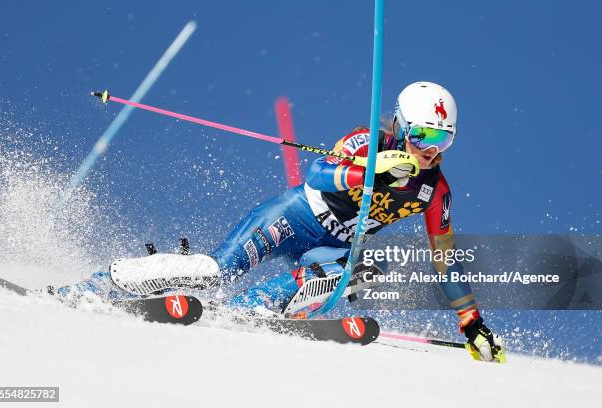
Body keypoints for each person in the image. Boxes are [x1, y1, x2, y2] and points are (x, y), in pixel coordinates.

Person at [64, 81, 505, 362]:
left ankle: (246, 310)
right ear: (403, 125)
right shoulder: (367, 139)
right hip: (295, 216)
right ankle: (102, 283)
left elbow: (444, 262)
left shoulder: (436, 191)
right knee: (213, 271)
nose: (432, 149)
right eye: (423, 135)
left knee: (364, 268)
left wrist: (471, 322)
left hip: (331, 249)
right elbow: (318, 174)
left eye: (444, 137)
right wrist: (369, 170)